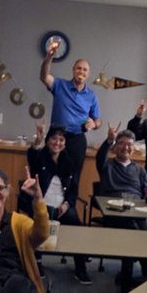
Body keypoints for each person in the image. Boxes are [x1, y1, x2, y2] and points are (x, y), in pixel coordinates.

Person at [21, 123, 91, 284]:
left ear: (65, 143)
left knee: (77, 226)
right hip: (40, 206)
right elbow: (32, 155)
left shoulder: (69, 162)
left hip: (62, 207)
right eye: (54, 138)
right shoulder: (40, 157)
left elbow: (73, 191)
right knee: (37, 224)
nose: (57, 142)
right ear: (47, 141)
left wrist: (67, 204)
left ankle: (80, 267)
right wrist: (37, 140)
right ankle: (37, 262)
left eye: (61, 140)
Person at [40, 38, 100, 185]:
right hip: (56, 137)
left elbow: (98, 121)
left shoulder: (91, 96)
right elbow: (44, 77)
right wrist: (49, 57)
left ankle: (68, 206)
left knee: (73, 178)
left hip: (77, 140)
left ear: (89, 74)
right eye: (79, 68)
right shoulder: (60, 85)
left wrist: (94, 123)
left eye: (85, 69)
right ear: (73, 70)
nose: (81, 71)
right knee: (48, 175)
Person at [95, 124, 147, 200]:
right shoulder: (106, 165)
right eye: (121, 143)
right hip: (111, 205)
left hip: (134, 206)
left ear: (133, 149)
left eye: (129, 144)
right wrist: (109, 140)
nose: (126, 148)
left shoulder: (140, 170)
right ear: (115, 147)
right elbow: (100, 156)